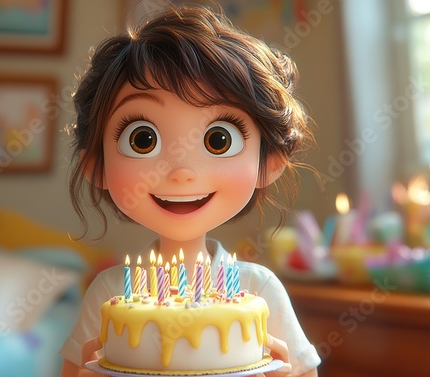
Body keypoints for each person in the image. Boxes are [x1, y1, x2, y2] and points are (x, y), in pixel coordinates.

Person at [60, 3, 320, 376]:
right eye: (143, 139)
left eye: (218, 139)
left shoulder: (258, 290)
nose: (181, 171)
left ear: (270, 162)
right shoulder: (111, 293)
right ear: (95, 166)